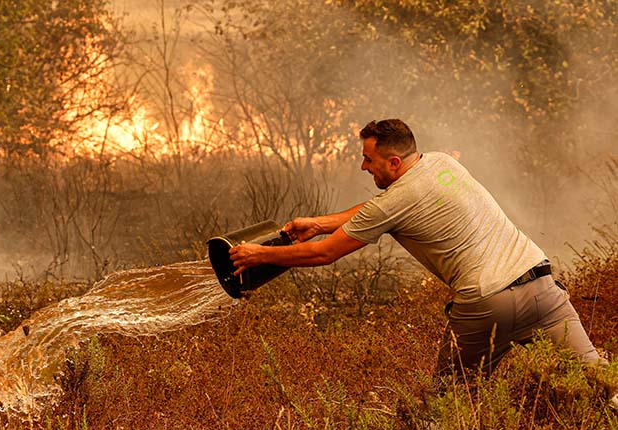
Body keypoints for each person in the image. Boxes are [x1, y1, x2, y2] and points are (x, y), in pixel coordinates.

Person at [229, 119, 611, 397]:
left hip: (486, 303)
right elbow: (386, 207)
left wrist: (260, 253)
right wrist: (321, 222)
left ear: (393, 162)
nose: (363, 167)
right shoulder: (442, 164)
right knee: (601, 383)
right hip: (543, 289)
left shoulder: (397, 200)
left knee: (448, 405)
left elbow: (326, 254)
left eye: (368, 160)